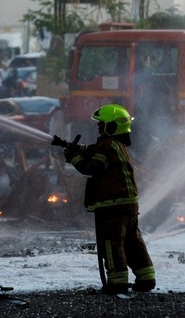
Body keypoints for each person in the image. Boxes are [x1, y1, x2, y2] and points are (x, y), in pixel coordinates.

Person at [56, 104, 156, 295]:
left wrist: (74, 158)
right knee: (133, 242)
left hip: (112, 205)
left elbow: (92, 167)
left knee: (111, 243)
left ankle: (117, 282)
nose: (98, 128)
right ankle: (146, 277)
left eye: (102, 125)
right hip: (128, 204)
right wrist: (77, 148)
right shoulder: (118, 146)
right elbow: (93, 151)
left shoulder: (108, 145)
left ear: (112, 126)